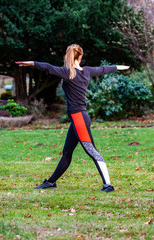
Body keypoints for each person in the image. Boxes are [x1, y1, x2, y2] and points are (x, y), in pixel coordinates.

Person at [16, 44, 129, 193]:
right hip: (78, 119)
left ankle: (107, 185)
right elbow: (104, 69)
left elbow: (48, 67)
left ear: (68, 56)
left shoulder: (67, 72)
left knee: (92, 151)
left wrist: (31, 63)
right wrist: (119, 67)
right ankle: (51, 182)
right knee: (67, 153)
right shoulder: (86, 71)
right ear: (80, 56)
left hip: (79, 119)